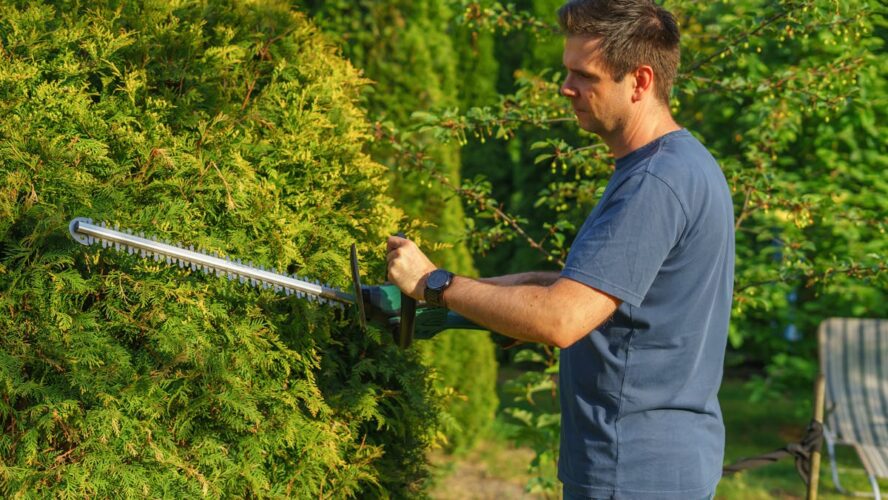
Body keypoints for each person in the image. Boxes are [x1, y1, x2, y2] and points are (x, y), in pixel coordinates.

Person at [386, 0, 734, 498]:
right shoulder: (684, 164)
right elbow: (584, 290)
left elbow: (561, 318)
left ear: (639, 82)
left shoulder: (654, 183)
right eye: (566, 71)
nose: (565, 88)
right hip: (665, 462)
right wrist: (462, 297)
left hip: (629, 471)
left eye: (584, 75)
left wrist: (434, 284)